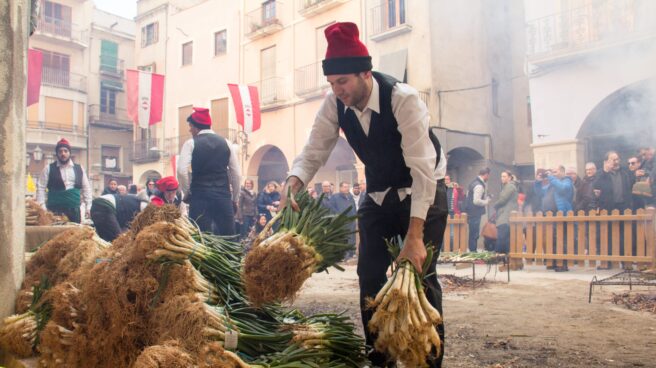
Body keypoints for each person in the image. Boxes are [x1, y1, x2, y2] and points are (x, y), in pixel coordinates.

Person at [277, 22, 447, 367]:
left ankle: (429, 359)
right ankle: (379, 355)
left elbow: (423, 171)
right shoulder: (334, 103)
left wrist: (414, 236)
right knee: (369, 275)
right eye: (332, 83)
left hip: (422, 193)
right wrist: (294, 181)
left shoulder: (403, 99)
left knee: (421, 275)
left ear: (365, 74)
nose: (337, 90)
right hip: (379, 196)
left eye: (343, 81)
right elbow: (315, 149)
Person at [177, 107, 240, 235]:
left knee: (201, 239)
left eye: (190, 126)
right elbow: (236, 174)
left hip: (200, 198)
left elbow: (181, 171)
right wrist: (235, 198)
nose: (189, 130)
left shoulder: (190, 143)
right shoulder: (226, 143)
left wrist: (187, 192)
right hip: (223, 197)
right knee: (228, 240)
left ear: (196, 127)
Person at [36, 138, 92, 223]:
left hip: (74, 211)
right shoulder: (48, 168)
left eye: (65, 151)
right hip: (54, 210)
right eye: (60, 151)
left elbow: (86, 188)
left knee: (74, 234)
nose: (63, 154)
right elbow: (41, 188)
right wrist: (42, 207)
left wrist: (89, 206)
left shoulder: (79, 168)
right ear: (57, 153)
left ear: (69, 153)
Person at [465, 168, 491, 252]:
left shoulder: (473, 183)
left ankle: (472, 251)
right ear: (486, 175)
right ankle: (473, 252)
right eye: (488, 176)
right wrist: (486, 201)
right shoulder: (479, 185)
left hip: (471, 212)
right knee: (474, 234)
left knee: (472, 233)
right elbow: (476, 201)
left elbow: (468, 197)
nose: (488, 178)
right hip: (475, 213)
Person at [493, 171, 518, 255]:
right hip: (505, 214)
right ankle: (505, 256)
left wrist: (495, 205)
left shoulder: (510, 186)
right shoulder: (507, 186)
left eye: (504, 176)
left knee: (502, 236)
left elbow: (503, 200)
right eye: (501, 176)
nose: (502, 178)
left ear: (510, 177)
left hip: (506, 215)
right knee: (505, 238)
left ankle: (499, 254)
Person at [329, 182, 357, 256]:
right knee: (343, 238)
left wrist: (355, 217)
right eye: (345, 187)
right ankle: (344, 254)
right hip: (341, 222)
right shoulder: (335, 197)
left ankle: (351, 253)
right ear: (340, 188)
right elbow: (332, 209)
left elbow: (353, 207)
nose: (347, 188)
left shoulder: (350, 197)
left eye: (348, 187)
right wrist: (339, 216)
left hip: (351, 221)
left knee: (351, 237)